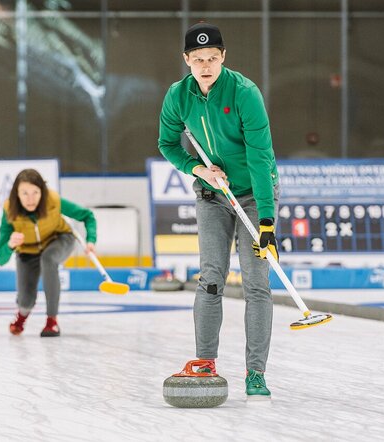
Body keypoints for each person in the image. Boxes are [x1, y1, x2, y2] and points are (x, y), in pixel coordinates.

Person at [158, 22, 280, 399]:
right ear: (187, 60)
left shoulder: (245, 94)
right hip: (213, 195)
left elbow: (261, 158)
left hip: (252, 194)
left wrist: (266, 221)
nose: (206, 65)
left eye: (212, 58)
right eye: (198, 59)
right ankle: (206, 361)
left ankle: (255, 372)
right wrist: (198, 169)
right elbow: (167, 144)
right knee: (211, 277)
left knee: (256, 283)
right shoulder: (178, 96)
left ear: (223, 57)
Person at [0, 168, 97, 337]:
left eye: (35, 192)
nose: (31, 199)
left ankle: (52, 321)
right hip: (27, 250)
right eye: (24, 193)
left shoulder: (53, 201)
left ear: (42, 191)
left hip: (59, 239)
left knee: (48, 258)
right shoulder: (9, 211)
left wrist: (91, 240)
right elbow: (0, 258)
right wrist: (10, 245)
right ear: (16, 194)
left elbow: (87, 216)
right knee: (26, 302)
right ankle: (21, 315)